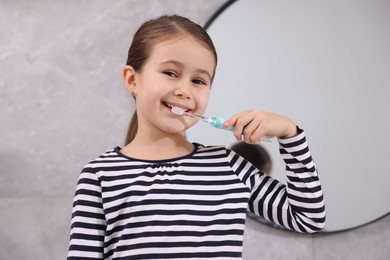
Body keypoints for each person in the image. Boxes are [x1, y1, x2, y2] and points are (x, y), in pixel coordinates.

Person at [67, 15, 325, 260]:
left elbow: (308, 218)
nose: (184, 90)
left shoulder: (228, 166)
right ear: (132, 79)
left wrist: (290, 134)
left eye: (199, 80)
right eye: (170, 73)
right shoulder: (100, 176)